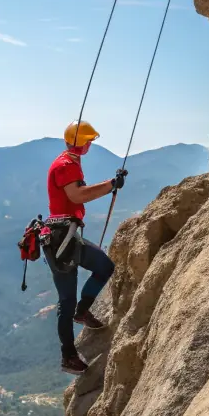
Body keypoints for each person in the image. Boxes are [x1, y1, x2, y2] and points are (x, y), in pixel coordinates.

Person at [46, 120, 126, 374]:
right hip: (62, 238)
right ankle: (68, 355)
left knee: (104, 266)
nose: (91, 144)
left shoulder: (68, 162)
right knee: (66, 300)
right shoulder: (66, 165)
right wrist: (110, 185)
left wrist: (109, 184)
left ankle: (82, 312)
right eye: (89, 140)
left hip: (64, 235)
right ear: (81, 141)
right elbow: (77, 196)